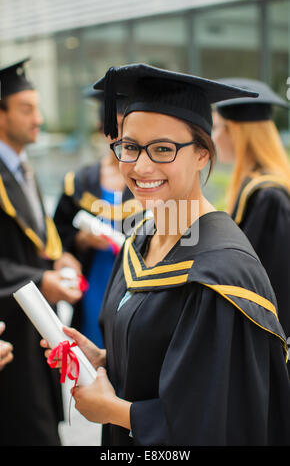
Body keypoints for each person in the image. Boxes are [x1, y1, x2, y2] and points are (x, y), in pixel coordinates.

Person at [42, 64, 290, 446]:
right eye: (129, 147)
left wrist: (110, 411)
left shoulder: (220, 273)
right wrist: (107, 359)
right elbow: (172, 363)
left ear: (203, 155)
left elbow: (219, 417)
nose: (140, 166)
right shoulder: (141, 238)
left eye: (163, 149)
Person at [0, 58, 82, 446]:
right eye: (27, 109)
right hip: (6, 335)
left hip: (34, 327)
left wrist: (57, 259)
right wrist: (38, 280)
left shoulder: (21, 167)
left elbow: (33, 238)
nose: (39, 119)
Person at [53, 89, 143, 347]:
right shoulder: (79, 182)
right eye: (112, 129)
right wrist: (81, 239)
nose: (119, 138)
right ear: (101, 129)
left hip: (135, 282)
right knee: (94, 344)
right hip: (95, 280)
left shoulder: (149, 179)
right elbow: (57, 236)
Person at [212, 78, 290, 341]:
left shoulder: (268, 195)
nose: (214, 137)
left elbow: (272, 280)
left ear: (236, 132)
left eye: (219, 128)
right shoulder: (255, 187)